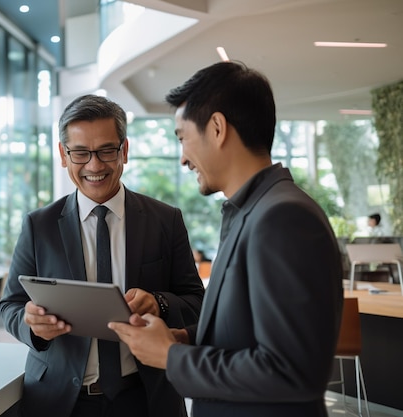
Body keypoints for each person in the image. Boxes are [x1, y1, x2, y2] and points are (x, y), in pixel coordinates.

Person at [109, 62, 343, 417]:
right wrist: (181, 339)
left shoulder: (283, 218)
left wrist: (171, 357)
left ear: (217, 128)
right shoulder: (253, 211)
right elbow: (245, 335)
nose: (184, 158)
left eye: (182, 137)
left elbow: (292, 372)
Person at [0, 94, 205, 417]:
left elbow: (196, 301)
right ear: (63, 155)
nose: (94, 166)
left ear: (124, 150)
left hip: (145, 397)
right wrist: (32, 327)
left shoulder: (166, 220)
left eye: (106, 151)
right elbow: (9, 305)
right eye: (80, 153)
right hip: (60, 401)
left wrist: (159, 302)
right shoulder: (39, 225)